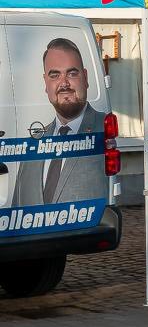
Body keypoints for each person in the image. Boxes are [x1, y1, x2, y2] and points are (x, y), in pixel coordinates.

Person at [14, 38, 107, 205]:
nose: (64, 83)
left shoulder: (107, 130)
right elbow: (17, 210)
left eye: (72, 73)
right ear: (46, 83)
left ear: (85, 78)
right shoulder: (33, 145)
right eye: (55, 75)